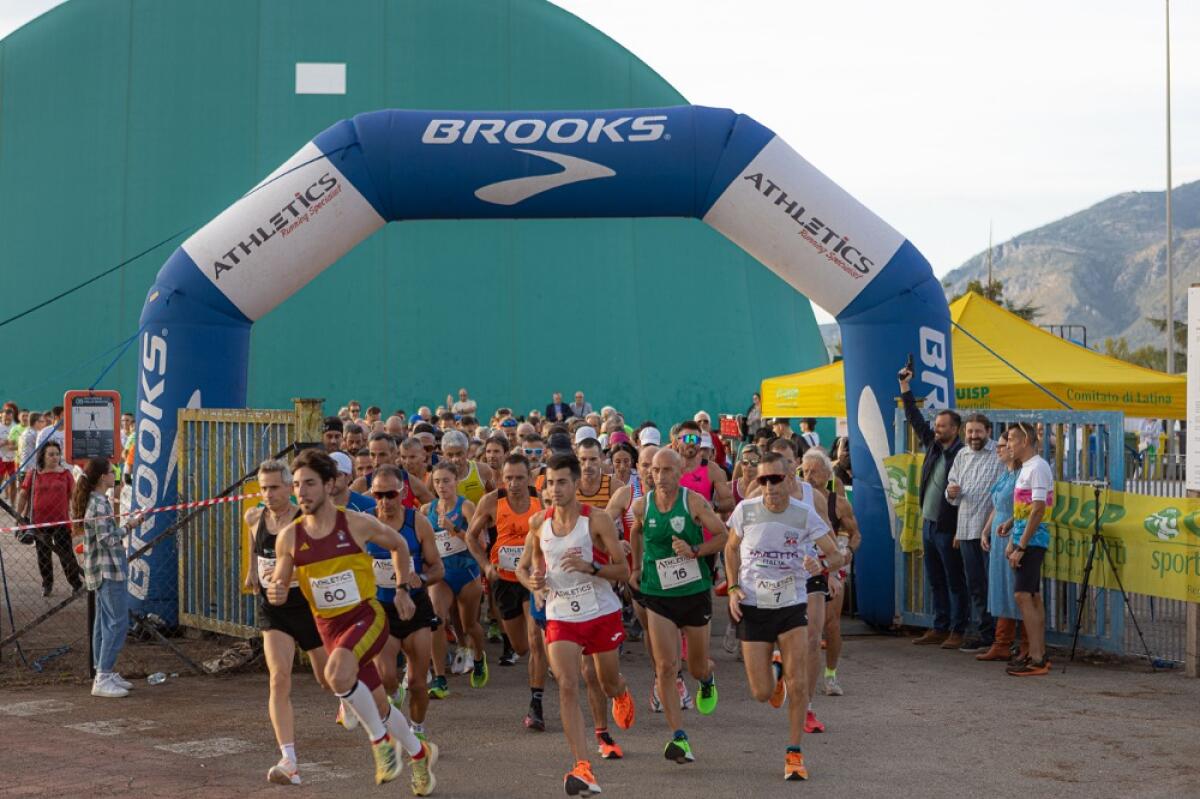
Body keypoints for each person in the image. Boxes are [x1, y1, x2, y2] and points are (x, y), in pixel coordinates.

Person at [265, 449, 437, 792]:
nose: (303, 492)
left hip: (366, 616)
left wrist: (402, 589)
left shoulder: (355, 523)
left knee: (335, 673)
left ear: (330, 485)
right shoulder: (290, 536)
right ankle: (420, 756)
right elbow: (280, 580)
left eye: (310, 483)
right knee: (379, 705)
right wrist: (277, 590)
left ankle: (380, 743)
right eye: (297, 485)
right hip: (329, 628)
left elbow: (400, 545)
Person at [515, 452, 635, 798]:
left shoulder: (595, 521)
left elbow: (623, 571)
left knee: (606, 681)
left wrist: (590, 568)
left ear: (576, 482)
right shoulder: (538, 523)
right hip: (561, 614)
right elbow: (524, 567)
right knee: (567, 684)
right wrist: (532, 583)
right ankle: (582, 765)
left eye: (562, 482)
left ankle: (621, 692)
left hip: (600, 612)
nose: (555, 489)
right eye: (550, 484)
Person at [725, 451, 843, 782]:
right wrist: (733, 587)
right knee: (761, 692)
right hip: (755, 606)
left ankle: (794, 753)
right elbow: (730, 548)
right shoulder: (745, 511)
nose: (770, 486)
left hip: (792, 604)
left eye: (776, 478)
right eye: (763, 480)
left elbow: (835, 554)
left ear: (789, 479)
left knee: (800, 680)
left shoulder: (804, 514)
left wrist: (821, 565)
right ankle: (773, 673)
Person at [629, 448, 728, 764]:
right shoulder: (643, 505)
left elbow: (723, 536)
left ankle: (707, 679)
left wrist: (695, 549)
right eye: (655, 470)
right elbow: (635, 531)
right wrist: (635, 568)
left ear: (680, 471)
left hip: (694, 592)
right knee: (666, 667)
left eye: (666, 470)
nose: (660, 476)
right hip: (658, 594)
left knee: (697, 665)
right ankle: (679, 738)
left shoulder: (694, 502)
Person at [240, 459, 329, 785]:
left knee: (327, 680)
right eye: (263, 488)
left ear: (290, 487)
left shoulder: (305, 521)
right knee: (278, 678)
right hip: (272, 608)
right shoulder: (254, 516)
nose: (268, 494)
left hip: (305, 607)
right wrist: (252, 570)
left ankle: (348, 696)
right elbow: (255, 544)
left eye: (274, 487)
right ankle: (288, 758)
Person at [465, 453, 551, 730]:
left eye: (520, 478)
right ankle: (534, 668)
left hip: (533, 579)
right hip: (504, 580)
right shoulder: (492, 501)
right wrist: (485, 565)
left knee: (536, 641)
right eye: (509, 478)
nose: (514, 484)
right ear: (502, 478)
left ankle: (536, 704)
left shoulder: (540, 500)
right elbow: (470, 536)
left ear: (529, 478)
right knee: (521, 647)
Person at [367, 466, 443, 742]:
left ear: (402, 493)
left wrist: (420, 578)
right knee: (387, 679)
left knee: (418, 682)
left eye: (390, 494)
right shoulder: (367, 524)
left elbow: (438, 569)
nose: (384, 501)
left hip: (415, 608)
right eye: (378, 494)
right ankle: (394, 696)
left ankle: (418, 729)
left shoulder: (417, 523)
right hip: (382, 610)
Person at [898, 363, 967, 648]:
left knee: (954, 580)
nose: (937, 430)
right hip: (928, 523)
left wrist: (958, 530)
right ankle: (939, 626)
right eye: (936, 426)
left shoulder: (963, 455)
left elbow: (969, 494)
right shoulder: (935, 446)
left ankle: (958, 629)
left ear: (956, 429)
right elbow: (914, 419)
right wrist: (905, 387)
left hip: (948, 526)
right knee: (936, 578)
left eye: (943, 427)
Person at [71, 458, 135, 699]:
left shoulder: (100, 501)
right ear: (101, 478)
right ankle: (103, 675)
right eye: (111, 473)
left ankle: (103, 670)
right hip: (107, 570)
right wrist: (128, 527)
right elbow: (106, 539)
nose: (115, 476)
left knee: (103, 621)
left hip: (105, 569)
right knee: (117, 622)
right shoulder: (98, 504)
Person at [799, 449, 860, 698]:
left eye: (815, 471)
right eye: (806, 471)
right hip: (802, 565)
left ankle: (831, 675)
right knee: (800, 624)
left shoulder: (839, 503)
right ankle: (800, 672)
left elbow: (856, 533)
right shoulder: (795, 499)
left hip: (832, 565)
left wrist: (849, 552)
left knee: (831, 624)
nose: (810, 476)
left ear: (827, 474)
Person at [423, 461, 487, 696]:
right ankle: (440, 679)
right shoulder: (427, 510)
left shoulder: (467, 507)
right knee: (437, 621)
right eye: (437, 481)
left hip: (467, 571)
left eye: (446, 481)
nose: (441, 486)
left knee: (470, 625)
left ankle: (479, 657)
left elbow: (479, 544)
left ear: (456, 482)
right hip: (442, 574)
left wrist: (453, 529)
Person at [944, 413, 1006, 653]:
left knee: (994, 584)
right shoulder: (962, 454)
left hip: (992, 531)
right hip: (967, 529)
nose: (973, 436)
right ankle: (983, 633)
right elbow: (951, 495)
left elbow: (1003, 492)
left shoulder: (998, 455)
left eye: (978, 431)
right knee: (976, 584)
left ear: (988, 431)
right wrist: (951, 491)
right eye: (969, 432)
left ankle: (999, 637)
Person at [1004, 422, 1053, 677]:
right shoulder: (1028, 467)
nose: (1008, 444)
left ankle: (1036, 657)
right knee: (1031, 596)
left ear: (1025, 441)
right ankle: (1039, 653)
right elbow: (1025, 508)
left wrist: (1021, 545)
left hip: (1034, 540)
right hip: (1026, 537)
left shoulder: (1038, 467)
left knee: (1023, 595)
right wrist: (1011, 526)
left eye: (1012, 439)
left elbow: (1038, 509)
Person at [978, 430, 1022, 662]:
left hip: (1012, 533)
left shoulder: (1021, 475)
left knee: (1014, 588)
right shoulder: (1005, 474)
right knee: (1000, 587)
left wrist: (1012, 531)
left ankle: (1022, 643)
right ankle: (1002, 641)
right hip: (998, 533)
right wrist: (985, 530)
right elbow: (997, 505)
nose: (998, 449)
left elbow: (1025, 508)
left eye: (1003, 445)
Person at [17, 441, 80, 596]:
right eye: (51, 454)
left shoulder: (66, 474)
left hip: (61, 521)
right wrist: (19, 516)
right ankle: (47, 584)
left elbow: (74, 497)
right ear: (43, 456)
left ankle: (76, 584)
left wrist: (77, 518)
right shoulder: (34, 473)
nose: (55, 457)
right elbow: (24, 494)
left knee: (66, 554)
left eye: (57, 454)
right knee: (43, 554)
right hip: (39, 522)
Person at [441, 429, 494, 504]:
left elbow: (496, 498)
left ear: (467, 451)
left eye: (459, 454)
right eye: (450, 455)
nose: (455, 459)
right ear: (443, 454)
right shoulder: (436, 476)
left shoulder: (482, 470)